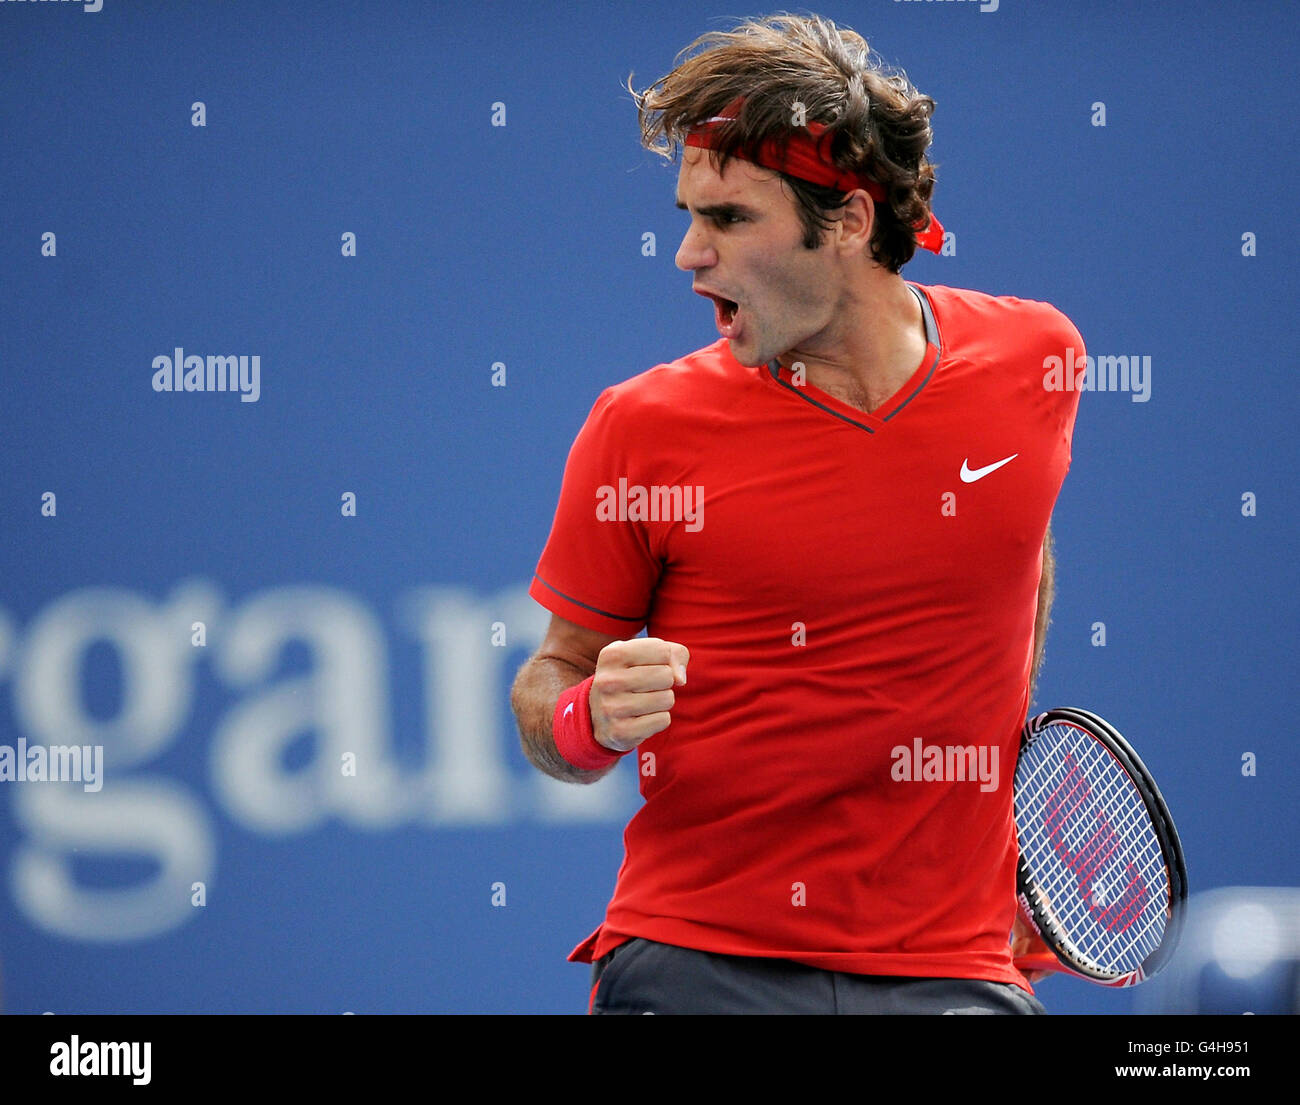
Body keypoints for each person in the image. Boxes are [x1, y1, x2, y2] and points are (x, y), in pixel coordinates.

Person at [510, 13, 1083, 1014]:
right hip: (699, 963)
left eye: (729, 218)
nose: (687, 255)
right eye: (688, 214)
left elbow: (1014, 548)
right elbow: (550, 683)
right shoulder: (638, 429)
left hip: (955, 970)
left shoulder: (1036, 363)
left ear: (850, 221)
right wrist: (588, 715)